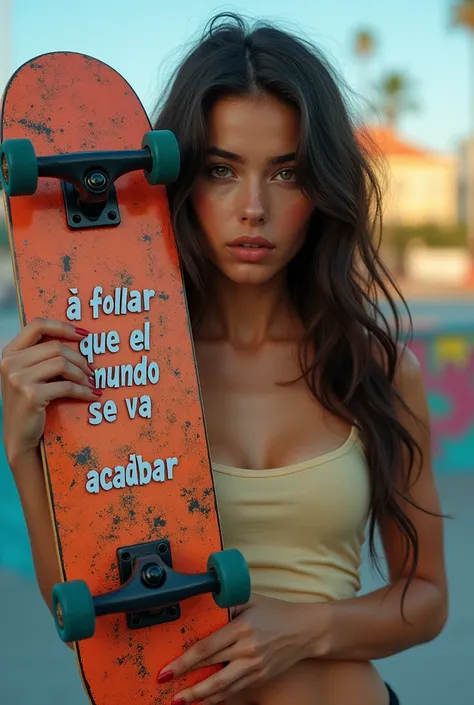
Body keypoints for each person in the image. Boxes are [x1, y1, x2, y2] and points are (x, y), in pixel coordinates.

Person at [1, 12, 447, 705]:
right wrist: (25, 446)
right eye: (221, 170)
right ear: (175, 178)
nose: (253, 208)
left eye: (286, 172)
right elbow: (87, 613)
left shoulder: (373, 369)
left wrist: (307, 626)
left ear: (323, 189)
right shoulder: (126, 366)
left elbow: (425, 601)